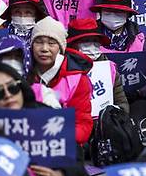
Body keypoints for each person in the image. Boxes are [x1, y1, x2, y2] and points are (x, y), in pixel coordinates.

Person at [30, 16, 94, 145]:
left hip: (63, 142)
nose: (44, 49)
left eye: (51, 43)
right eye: (39, 42)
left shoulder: (77, 79)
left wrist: (60, 136)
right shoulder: (23, 72)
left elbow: (82, 123)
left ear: (60, 48)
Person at [66, 18, 129, 114]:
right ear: (73, 44)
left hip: (105, 123)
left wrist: (116, 115)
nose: (92, 45)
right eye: (86, 41)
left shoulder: (109, 68)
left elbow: (121, 100)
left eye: (95, 41)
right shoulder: (61, 69)